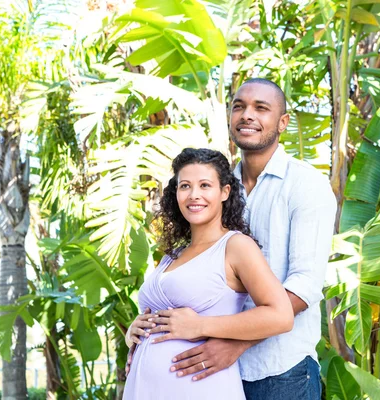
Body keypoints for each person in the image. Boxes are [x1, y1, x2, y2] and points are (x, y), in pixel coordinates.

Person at [128, 78, 337, 400]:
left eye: (261, 108)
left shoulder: (306, 185)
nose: (247, 115)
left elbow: (305, 284)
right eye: (239, 106)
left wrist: (234, 343)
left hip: (279, 368)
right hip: (213, 373)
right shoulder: (216, 184)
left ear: (283, 122)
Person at [122, 147, 294, 399]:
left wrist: (200, 326)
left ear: (225, 192)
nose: (194, 195)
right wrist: (134, 333)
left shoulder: (236, 246)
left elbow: (281, 316)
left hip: (201, 388)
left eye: (204, 185)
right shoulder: (174, 254)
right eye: (185, 186)